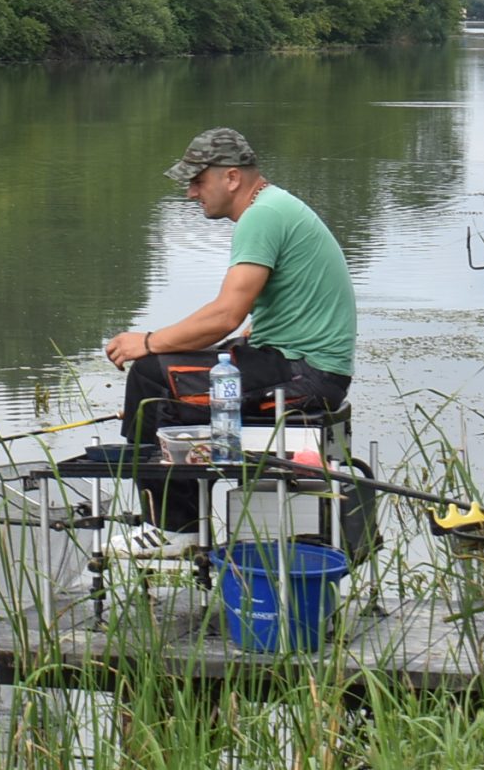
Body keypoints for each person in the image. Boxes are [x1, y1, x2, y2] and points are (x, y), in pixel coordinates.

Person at [103, 128, 356, 537]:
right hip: (302, 366)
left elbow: (225, 315)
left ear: (232, 177)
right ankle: (181, 521)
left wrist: (146, 342)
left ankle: (173, 531)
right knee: (173, 382)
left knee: (151, 375)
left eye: (198, 181)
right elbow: (256, 322)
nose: (191, 193)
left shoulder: (262, 217)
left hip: (307, 376)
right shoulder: (276, 208)